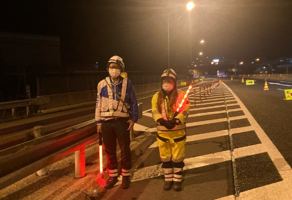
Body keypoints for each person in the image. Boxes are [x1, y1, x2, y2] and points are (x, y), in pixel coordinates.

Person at [95, 55, 138, 189]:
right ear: (108, 68)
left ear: (121, 69)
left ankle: (125, 176)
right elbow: (98, 103)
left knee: (125, 150)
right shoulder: (101, 84)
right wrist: (98, 122)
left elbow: (134, 102)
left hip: (122, 122)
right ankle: (112, 176)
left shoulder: (127, 83)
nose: (114, 69)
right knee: (110, 151)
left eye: (117, 67)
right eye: (112, 67)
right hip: (106, 122)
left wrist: (133, 119)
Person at [151, 68, 190, 191]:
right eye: (164, 81)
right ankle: (168, 180)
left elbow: (185, 110)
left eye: (169, 81)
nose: (166, 84)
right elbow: (154, 110)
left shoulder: (182, 96)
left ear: (174, 82)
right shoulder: (157, 97)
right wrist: (161, 121)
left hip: (178, 133)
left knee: (178, 158)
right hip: (162, 134)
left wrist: (176, 120)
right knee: (165, 158)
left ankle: (177, 180)